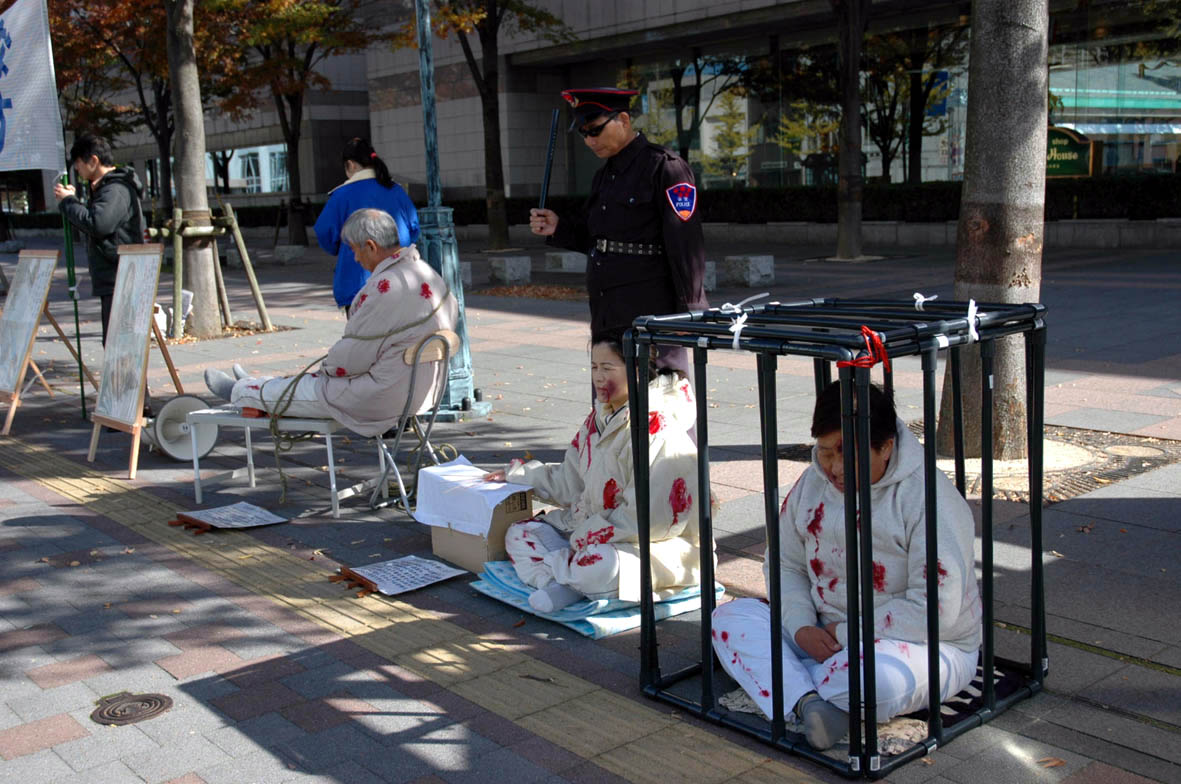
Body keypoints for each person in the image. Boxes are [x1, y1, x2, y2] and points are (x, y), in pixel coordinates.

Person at [711, 382, 981, 750]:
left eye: (847, 455)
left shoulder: (928, 498)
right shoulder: (812, 483)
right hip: (822, 632)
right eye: (824, 453)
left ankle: (794, 688)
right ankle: (812, 704)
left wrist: (845, 633)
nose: (835, 469)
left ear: (886, 447)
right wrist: (801, 627)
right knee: (729, 619)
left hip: (921, 644)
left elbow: (935, 610)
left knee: (873, 679)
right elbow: (786, 564)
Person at [483, 332, 704, 613]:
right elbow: (569, 481)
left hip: (657, 545)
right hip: (594, 533)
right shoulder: (599, 419)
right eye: (594, 367)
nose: (598, 377)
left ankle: (568, 581)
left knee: (599, 565)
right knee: (520, 533)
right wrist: (519, 475)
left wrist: (585, 538)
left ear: (636, 369)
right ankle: (566, 583)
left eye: (607, 368)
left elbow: (651, 520)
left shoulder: (657, 429)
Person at [204, 208, 457, 437]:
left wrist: (327, 369)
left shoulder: (385, 288)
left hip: (384, 394)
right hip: (426, 388)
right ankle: (259, 385)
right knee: (313, 381)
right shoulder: (425, 271)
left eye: (354, 250)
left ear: (371, 246)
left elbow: (351, 358)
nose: (355, 258)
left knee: (313, 386)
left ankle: (243, 392)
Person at [528, 88, 708, 373]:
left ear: (623, 120)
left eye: (595, 130)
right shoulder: (604, 176)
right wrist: (558, 227)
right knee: (610, 395)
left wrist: (691, 310)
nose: (589, 141)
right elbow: (598, 238)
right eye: (583, 134)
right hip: (606, 310)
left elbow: (686, 245)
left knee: (658, 395)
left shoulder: (665, 167)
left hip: (650, 311)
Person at [53, 134, 146, 346]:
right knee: (116, 345)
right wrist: (73, 201)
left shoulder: (116, 189)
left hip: (121, 278)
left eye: (78, 163)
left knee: (120, 346)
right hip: (117, 276)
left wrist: (69, 202)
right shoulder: (108, 188)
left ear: (93, 160)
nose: (77, 169)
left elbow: (98, 224)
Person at [314, 137, 420, 315]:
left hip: (358, 285)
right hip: (401, 279)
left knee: (365, 332)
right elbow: (414, 229)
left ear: (350, 164)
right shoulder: (396, 190)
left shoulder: (341, 195)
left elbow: (325, 234)